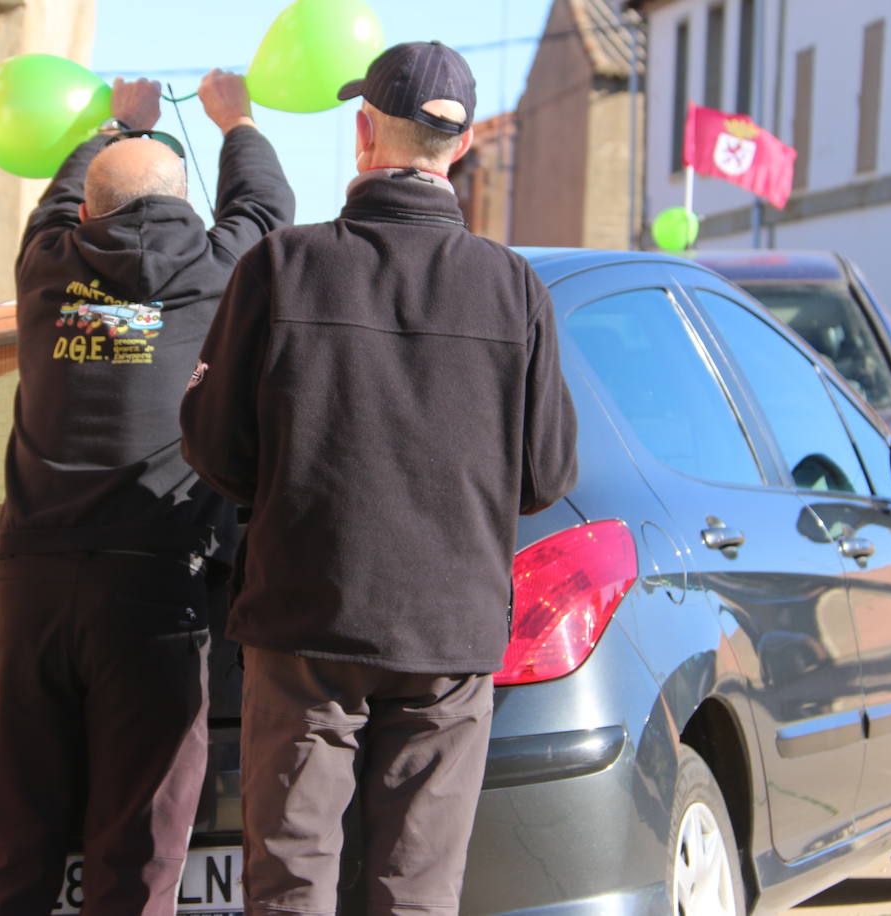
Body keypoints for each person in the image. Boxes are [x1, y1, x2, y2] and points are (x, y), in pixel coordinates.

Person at [179, 41, 578, 915]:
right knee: (416, 891)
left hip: (306, 618)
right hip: (449, 630)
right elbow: (546, 472)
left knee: (291, 881)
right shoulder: (514, 290)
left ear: (365, 133)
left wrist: (296, 490)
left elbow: (213, 447)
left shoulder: (282, 266)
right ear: (461, 148)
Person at [0, 70, 295, 916]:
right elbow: (264, 211)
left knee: (14, 833)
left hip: (35, 584)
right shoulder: (217, 271)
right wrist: (238, 121)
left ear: (84, 215)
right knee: (138, 840)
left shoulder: (45, 272)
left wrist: (112, 125)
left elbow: (54, 201)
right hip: (153, 589)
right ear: (187, 211)